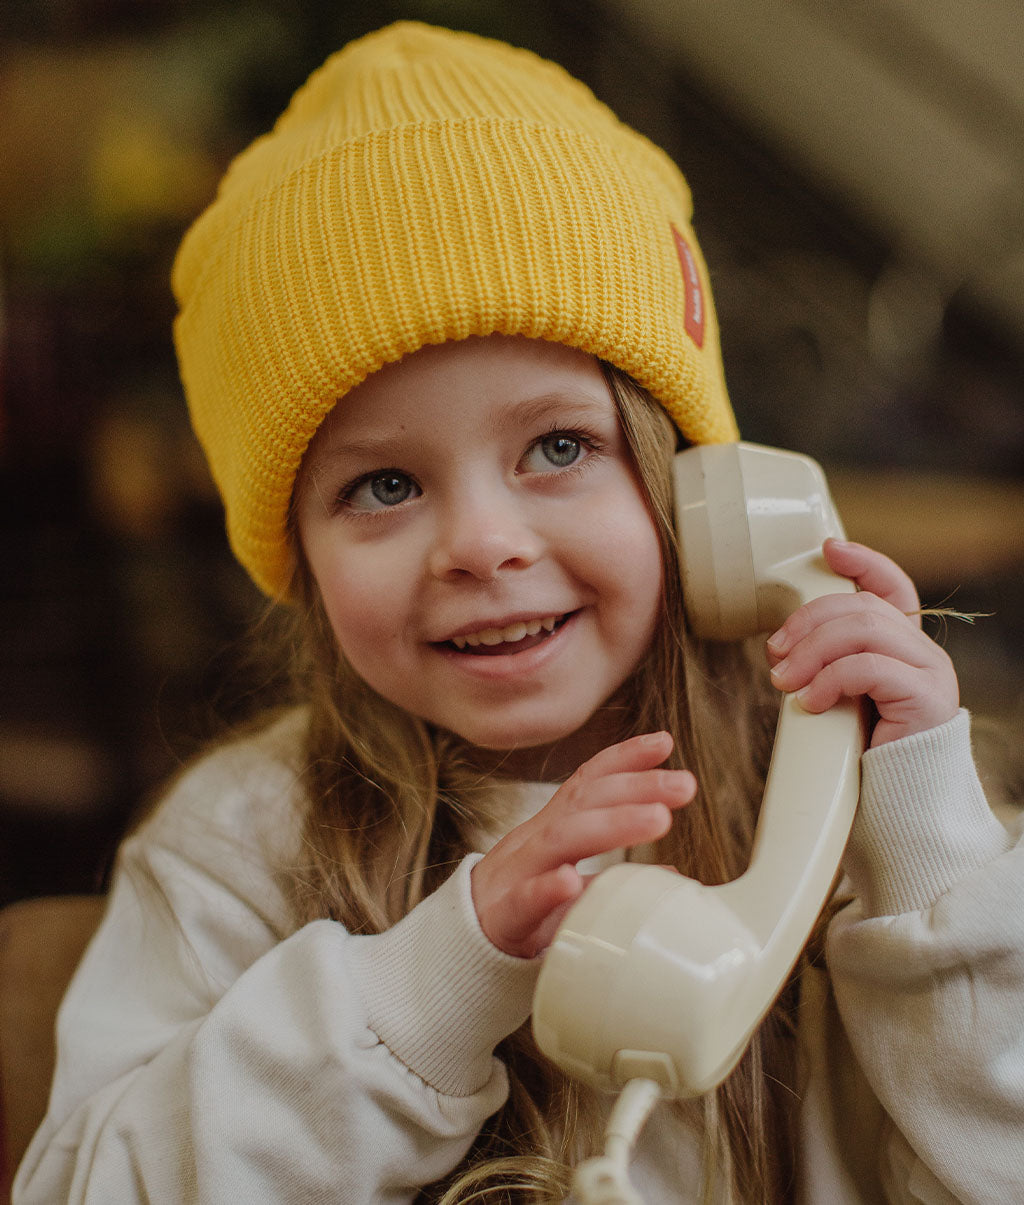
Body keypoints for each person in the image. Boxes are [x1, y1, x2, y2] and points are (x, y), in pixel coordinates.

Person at [13, 21, 1023, 1205]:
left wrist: (932, 853)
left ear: (699, 489)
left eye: (557, 446)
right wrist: (446, 971)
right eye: (383, 486)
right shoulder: (243, 841)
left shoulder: (865, 800)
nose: (483, 543)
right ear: (297, 557)